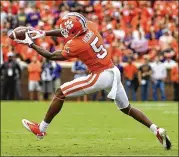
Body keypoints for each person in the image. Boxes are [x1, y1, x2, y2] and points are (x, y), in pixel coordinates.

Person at [13, 12, 171, 149]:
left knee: (61, 92)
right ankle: (156, 130)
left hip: (100, 76)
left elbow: (51, 55)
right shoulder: (90, 26)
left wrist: (31, 44)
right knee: (127, 108)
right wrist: (44, 33)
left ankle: (41, 129)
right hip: (113, 71)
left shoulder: (76, 44)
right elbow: (66, 31)